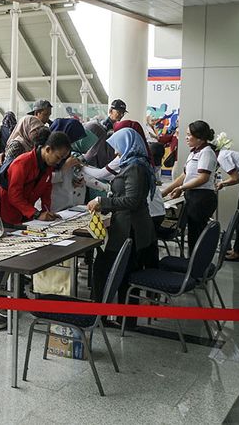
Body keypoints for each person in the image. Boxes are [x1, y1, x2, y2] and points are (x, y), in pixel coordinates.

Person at [87, 127, 156, 305]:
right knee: (125, 274)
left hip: (129, 228)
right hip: (130, 225)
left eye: (117, 147)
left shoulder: (134, 167)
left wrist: (103, 203)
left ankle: (102, 314)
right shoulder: (136, 163)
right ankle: (123, 318)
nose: (116, 151)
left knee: (106, 268)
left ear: (126, 145)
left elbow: (132, 200)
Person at [162, 120, 219, 252]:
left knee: (197, 234)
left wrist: (182, 188)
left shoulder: (207, 152)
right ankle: (192, 262)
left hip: (202, 197)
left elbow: (203, 178)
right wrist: (165, 192)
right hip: (193, 196)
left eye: (189, 135)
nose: (186, 138)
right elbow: (184, 176)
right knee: (193, 233)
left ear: (199, 137)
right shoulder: (194, 152)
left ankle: (196, 266)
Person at [0, 131, 71, 226]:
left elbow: (46, 193)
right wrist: (36, 214)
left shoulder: (48, 166)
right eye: (58, 157)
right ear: (48, 149)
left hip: (26, 214)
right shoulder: (22, 163)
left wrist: (46, 212)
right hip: (8, 213)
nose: (59, 162)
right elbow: (14, 196)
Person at [48, 118, 87, 212]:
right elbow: (46, 179)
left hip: (67, 205)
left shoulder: (66, 154)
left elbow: (66, 175)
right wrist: (65, 167)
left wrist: (75, 180)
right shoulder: (49, 154)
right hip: (52, 206)